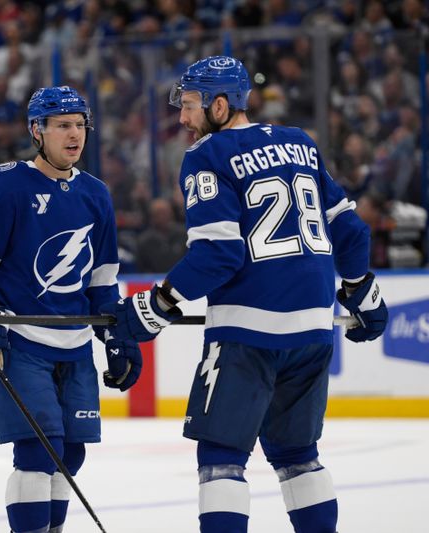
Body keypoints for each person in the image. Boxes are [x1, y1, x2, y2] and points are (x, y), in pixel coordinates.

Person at [101, 56, 389, 533]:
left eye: (190, 106)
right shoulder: (301, 144)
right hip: (314, 333)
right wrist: (361, 291)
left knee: (221, 460)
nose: (182, 119)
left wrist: (154, 308)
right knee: (299, 458)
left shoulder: (206, 156)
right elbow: (353, 233)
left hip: (246, 337)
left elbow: (218, 256)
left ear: (220, 104)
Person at [0, 86, 140, 533]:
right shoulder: (4, 184)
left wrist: (117, 335)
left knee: (71, 453)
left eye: (80, 125)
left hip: (73, 345)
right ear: (37, 131)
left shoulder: (96, 194)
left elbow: (101, 282)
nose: (75, 134)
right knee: (38, 450)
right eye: (63, 126)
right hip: (22, 342)